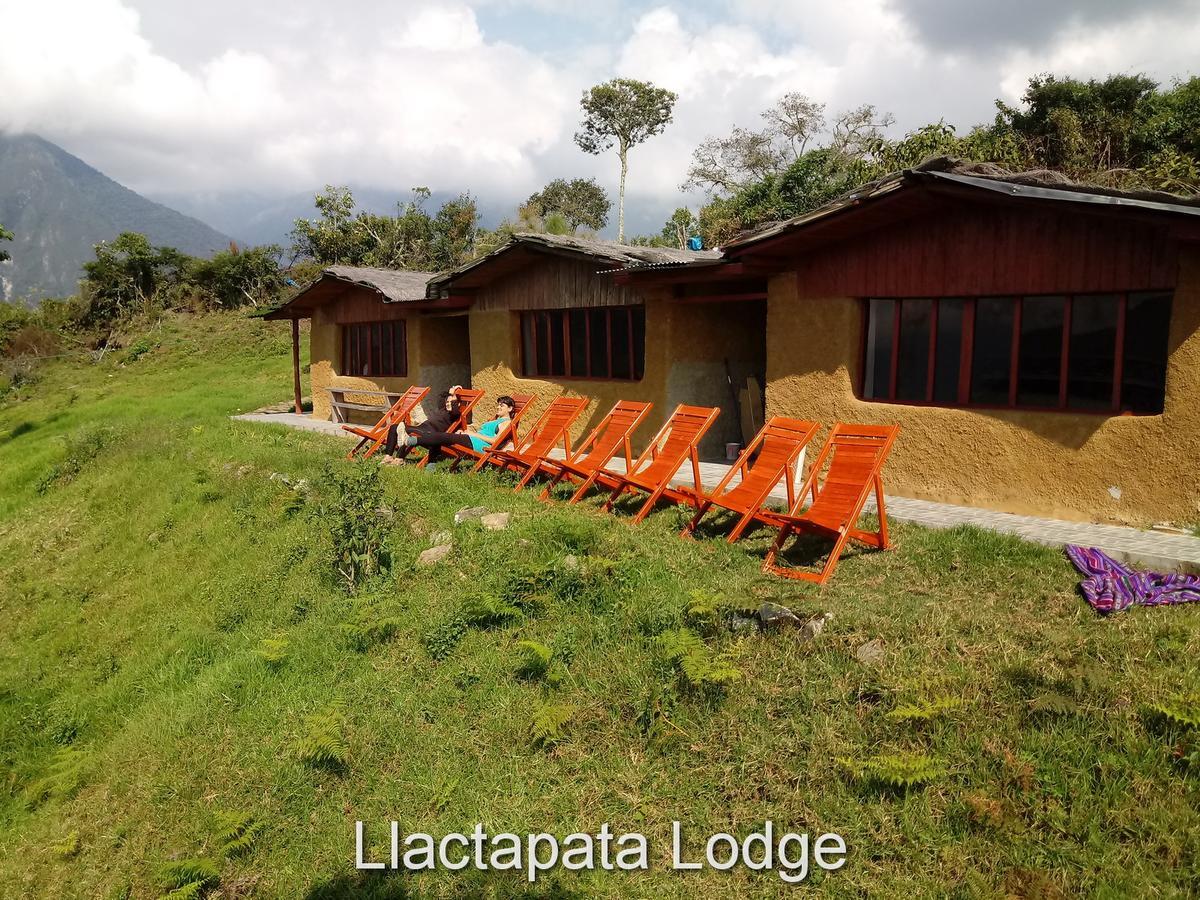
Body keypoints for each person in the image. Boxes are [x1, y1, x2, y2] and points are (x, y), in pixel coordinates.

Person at [388, 395, 516, 467]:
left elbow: (495, 440)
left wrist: (472, 433)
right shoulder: (495, 420)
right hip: (472, 439)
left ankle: (409, 440)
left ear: (510, 409)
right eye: (498, 405)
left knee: (441, 437)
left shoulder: (506, 422)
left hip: (479, 446)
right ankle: (430, 468)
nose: (498, 407)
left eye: (502, 406)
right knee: (440, 438)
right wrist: (467, 432)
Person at [381, 386, 464, 460]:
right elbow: (441, 396)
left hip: (430, 433)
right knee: (394, 427)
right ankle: (388, 457)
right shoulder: (443, 409)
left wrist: (454, 395)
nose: (448, 404)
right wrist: (451, 391)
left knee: (404, 430)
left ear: (458, 404)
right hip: (422, 427)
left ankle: (399, 459)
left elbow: (455, 408)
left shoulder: (455, 414)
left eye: (451, 402)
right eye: (447, 402)